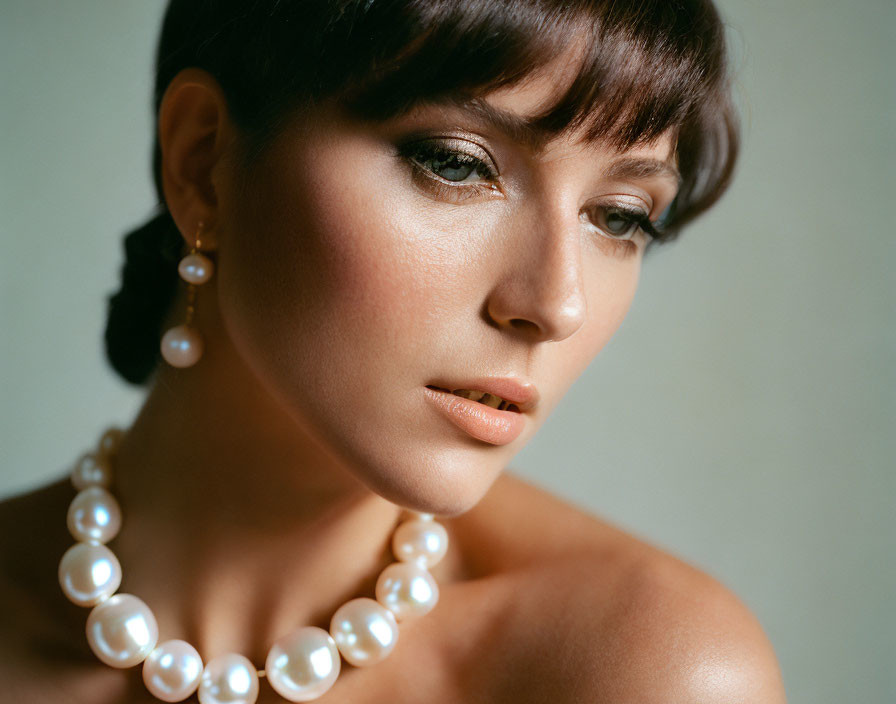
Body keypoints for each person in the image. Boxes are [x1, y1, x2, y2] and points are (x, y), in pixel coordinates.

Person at [0, 1, 787, 701]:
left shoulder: (647, 673)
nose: (555, 305)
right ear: (203, 162)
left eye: (619, 217)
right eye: (457, 163)